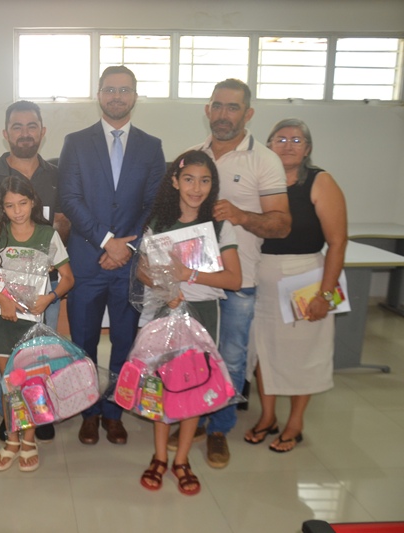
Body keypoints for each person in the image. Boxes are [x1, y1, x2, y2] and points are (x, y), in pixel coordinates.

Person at [171, 79, 291, 468]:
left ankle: (218, 429)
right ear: (208, 110)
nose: (224, 114)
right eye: (218, 106)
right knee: (192, 355)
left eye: (233, 107)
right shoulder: (192, 156)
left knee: (232, 357)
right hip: (193, 282)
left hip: (241, 279)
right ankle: (192, 419)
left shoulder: (264, 160)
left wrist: (240, 216)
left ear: (248, 113)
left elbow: (282, 224)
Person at [59, 65, 165, 446]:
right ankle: (89, 412)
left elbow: (154, 202)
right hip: (87, 261)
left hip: (129, 266)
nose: (116, 96)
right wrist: (108, 242)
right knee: (83, 342)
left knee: (125, 341)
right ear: (99, 95)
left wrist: (127, 246)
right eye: (109, 89)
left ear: (135, 96)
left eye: (124, 90)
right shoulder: (75, 142)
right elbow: (69, 198)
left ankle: (115, 412)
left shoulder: (151, 146)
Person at [136, 150, 241, 495]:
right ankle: (159, 456)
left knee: (194, 384)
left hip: (203, 315)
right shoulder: (160, 223)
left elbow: (234, 279)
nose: (197, 188)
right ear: (175, 182)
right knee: (161, 384)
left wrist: (188, 274)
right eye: (189, 180)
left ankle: (181, 460)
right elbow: (142, 271)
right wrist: (164, 287)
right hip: (165, 312)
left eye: (205, 181)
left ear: (213, 185)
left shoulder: (220, 226)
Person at [243, 119, 347, 452]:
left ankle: (295, 423)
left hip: (306, 277)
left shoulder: (320, 181)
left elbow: (338, 242)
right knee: (263, 351)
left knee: (304, 353)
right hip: (261, 276)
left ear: (308, 149)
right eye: (281, 139)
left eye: (297, 140)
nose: (288, 145)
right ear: (268, 146)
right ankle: (268, 417)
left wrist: (325, 295)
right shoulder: (260, 180)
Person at [0, 100, 70, 443]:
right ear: (6, 133)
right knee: (6, 358)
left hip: (44, 290)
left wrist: (52, 262)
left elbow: (63, 223)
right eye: (17, 126)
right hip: (2, 293)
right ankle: (10, 414)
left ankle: (39, 413)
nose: (25, 133)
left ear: (42, 132)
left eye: (32, 126)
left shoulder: (57, 176)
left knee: (40, 355)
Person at [0, 175, 73, 472]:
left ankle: (29, 441)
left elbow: (68, 278)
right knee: (10, 386)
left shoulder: (47, 235)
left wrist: (49, 298)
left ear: (33, 202)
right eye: (10, 205)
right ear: (2, 208)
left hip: (32, 325)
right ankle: (12, 440)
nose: (17, 211)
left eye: (22, 203)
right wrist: (2, 300)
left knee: (31, 384)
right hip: (2, 324)